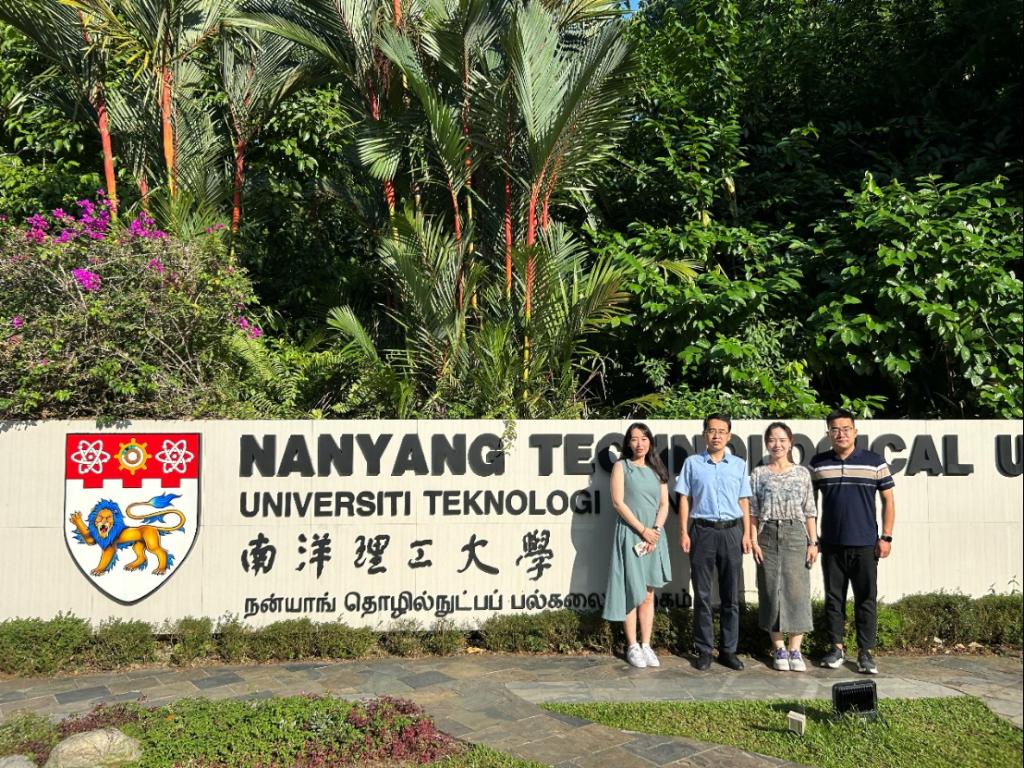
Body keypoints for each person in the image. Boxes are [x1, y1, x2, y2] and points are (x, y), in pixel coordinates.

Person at [810, 408, 896, 675]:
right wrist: (812, 540)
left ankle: (865, 653)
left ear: (855, 432)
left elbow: (888, 500)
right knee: (833, 599)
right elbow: (810, 505)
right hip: (831, 544)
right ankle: (836, 648)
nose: (841, 434)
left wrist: (886, 537)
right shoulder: (818, 463)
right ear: (828, 433)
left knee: (865, 599)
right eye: (835, 429)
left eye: (846, 429)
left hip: (866, 544)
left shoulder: (874, 462)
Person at [676, 413, 752, 671]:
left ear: (729, 436)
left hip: (732, 532)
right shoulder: (692, 463)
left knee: (731, 596)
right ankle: (704, 650)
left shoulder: (739, 465)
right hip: (702, 532)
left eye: (721, 431)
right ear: (704, 434)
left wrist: (747, 533)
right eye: (711, 430)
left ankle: (729, 651)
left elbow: (744, 501)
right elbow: (684, 499)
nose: (716, 435)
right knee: (703, 595)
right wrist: (684, 532)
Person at [602, 422, 672, 668]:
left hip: (654, 537)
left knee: (648, 594)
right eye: (634, 439)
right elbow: (618, 503)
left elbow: (664, 504)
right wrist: (642, 530)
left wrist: (655, 531)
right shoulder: (621, 467)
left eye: (643, 438)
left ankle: (646, 644)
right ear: (628, 443)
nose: (639, 443)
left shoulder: (657, 469)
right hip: (631, 534)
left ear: (650, 441)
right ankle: (632, 645)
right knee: (632, 590)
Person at [749, 422, 818, 672]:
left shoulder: (801, 473)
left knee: (797, 591)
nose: (777, 444)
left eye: (782, 440)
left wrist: (813, 542)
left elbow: (809, 510)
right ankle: (778, 647)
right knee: (770, 590)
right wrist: (753, 539)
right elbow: (753, 511)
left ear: (790, 443)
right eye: (772, 440)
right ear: (767, 443)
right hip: (767, 534)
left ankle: (795, 649)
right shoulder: (758, 474)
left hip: (796, 533)